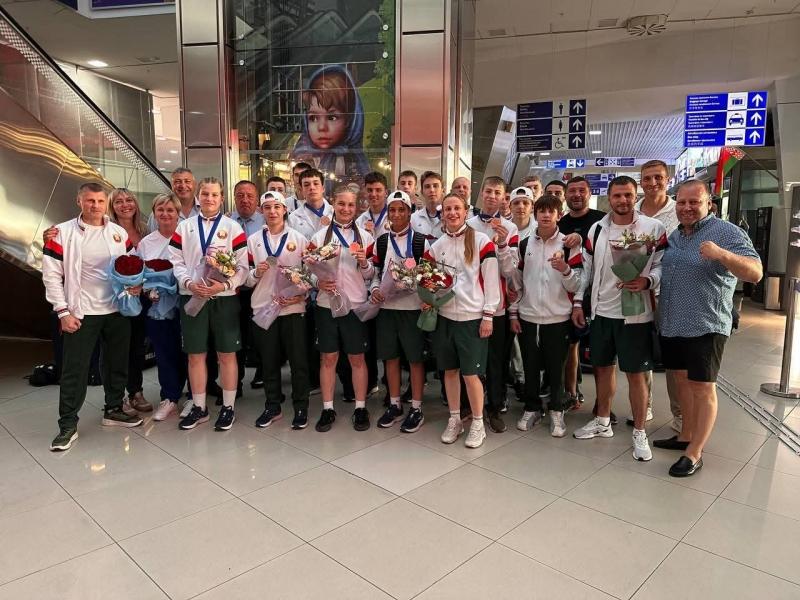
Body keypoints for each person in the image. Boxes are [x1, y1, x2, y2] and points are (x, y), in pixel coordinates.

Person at [655, 179, 762, 477]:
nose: (687, 207)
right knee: (681, 382)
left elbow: (755, 273)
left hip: (706, 324)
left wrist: (723, 255)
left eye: (694, 202)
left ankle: (694, 453)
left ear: (709, 204)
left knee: (703, 388)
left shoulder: (726, 232)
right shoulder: (675, 235)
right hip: (673, 322)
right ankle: (686, 435)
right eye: (682, 202)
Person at [572, 176, 666, 462]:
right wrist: (579, 302)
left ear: (635, 196)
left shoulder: (653, 228)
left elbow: (662, 266)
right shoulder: (597, 229)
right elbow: (587, 271)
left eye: (627, 195)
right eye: (617, 196)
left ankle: (639, 431)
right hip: (602, 312)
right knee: (602, 368)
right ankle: (602, 420)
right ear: (609, 198)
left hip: (635, 314)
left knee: (636, 374)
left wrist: (648, 280)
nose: (623, 200)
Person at [43, 183, 143, 451]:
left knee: (116, 363)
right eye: (89, 200)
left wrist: (136, 285)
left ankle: (113, 409)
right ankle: (67, 424)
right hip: (81, 312)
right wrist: (63, 312)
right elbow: (51, 276)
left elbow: (132, 266)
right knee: (74, 369)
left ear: (105, 202)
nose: (95, 205)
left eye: (99, 201)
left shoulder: (118, 233)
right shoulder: (61, 233)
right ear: (79, 201)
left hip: (116, 310)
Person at [169, 177, 248, 431]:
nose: (209, 199)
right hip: (192, 296)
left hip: (224, 299)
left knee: (227, 354)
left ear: (222, 198)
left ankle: (228, 407)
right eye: (205, 194)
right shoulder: (184, 227)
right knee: (195, 354)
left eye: (214, 195)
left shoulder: (233, 228)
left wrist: (224, 286)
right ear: (198, 197)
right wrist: (188, 283)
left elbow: (242, 266)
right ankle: (199, 407)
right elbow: (176, 261)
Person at [427, 193, 500, 448]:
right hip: (445, 317)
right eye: (447, 209)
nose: (452, 213)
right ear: (442, 214)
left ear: (466, 211)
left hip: (472, 318)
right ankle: (455, 418)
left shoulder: (481, 241)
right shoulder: (436, 246)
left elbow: (491, 281)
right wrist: (428, 296)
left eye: (456, 208)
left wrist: (488, 315)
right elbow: (429, 282)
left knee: (471, 374)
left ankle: (478, 423)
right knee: (449, 372)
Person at [510, 193, 581, 436]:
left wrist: (565, 269)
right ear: (536, 214)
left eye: (551, 211)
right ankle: (531, 408)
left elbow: (577, 284)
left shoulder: (569, 244)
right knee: (530, 366)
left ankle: (557, 410)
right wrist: (514, 314)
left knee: (556, 368)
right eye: (542, 211)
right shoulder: (524, 244)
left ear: (559, 215)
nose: (546, 215)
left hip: (558, 318)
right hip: (528, 316)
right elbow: (517, 284)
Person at [310, 186, 375, 432]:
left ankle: (360, 407)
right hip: (326, 305)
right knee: (328, 358)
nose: (346, 209)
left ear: (356, 207)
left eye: (350, 205)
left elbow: (371, 275)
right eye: (341, 204)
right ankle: (328, 408)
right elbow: (308, 271)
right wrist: (318, 283)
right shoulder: (319, 237)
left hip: (355, 305)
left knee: (357, 358)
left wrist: (365, 263)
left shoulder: (366, 238)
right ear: (333, 204)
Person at [246, 191, 311, 430]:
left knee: (298, 361)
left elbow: (310, 274)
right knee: (269, 361)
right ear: (261, 211)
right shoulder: (253, 240)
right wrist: (256, 273)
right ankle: (272, 405)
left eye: (276, 207)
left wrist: (301, 295)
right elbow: (245, 278)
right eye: (267, 207)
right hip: (264, 308)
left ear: (285, 209)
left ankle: (301, 406)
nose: (272, 211)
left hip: (292, 308)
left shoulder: (299, 239)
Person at [627, 159, 680, 429]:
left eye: (658, 177)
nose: (652, 183)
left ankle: (679, 414)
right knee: (641, 352)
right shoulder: (632, 211)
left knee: (672, 355)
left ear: (668, 179)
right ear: (641, 182)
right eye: (647, 178)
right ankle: (644, 406)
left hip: (671, 293)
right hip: (638, 292)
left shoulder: (679, 210)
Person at [370, 190, 429, 432]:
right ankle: (394, 404)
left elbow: (428, 277)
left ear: (409, 212)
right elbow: (375, 273)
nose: (396, 214)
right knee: (390, 358)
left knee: (415, 360)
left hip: (412, 309)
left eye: (401, 209)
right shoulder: (382, 241)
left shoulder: (420, 241)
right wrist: (375, 288)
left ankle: (416, 407)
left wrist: (424, 295)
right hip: (387, 309)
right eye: (392, 210)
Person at [466, 176, 519, 433]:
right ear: (482, 193)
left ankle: (495, 407)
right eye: (488, 191)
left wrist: (502, 244)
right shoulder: (468, 224)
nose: (491, 196)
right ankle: (469, 406)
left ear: (503, 197)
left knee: (496, 360)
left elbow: (509, 271)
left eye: (497, 192)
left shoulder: (511, 228)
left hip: (496, 304)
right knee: (470, 358)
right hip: (470, 303)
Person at [137, 193, 188, 421]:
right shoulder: (146, 243)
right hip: (157, 307)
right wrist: (148, 291)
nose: (165, 214)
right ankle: (169, 397)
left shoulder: (187, 236)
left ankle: (194, 395)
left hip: (187, 302)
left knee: (191, 351)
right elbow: (138, 275)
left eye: (170, 210)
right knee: (164, 352)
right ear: (154, 213)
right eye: (161, 210)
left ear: (178, 213)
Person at [558, 176, 605, 411]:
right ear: (566, 195)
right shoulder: (560, 223)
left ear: (589, 193)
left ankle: (602, 404)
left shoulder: (602, 221)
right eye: (572, 191)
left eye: (581, 190)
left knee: (601, 353)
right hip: (571, 292)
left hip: (601, 293)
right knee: (571, 346)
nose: (577, 195)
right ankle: (571, 394)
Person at [291, 64, 370, 192]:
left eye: (332, 117)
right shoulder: (302, 154)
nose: (322, 127)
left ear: (349, 120)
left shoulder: (353, 158)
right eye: (313, 118)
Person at [108, 188, 152, 415]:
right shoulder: (106, 230)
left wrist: (142, 285)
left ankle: (135, 391)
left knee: (136, 347)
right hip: (115, 300)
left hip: (140, 298)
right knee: (117, 349)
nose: (125, 205)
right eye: (118, 201)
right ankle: (116, 397)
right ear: (112, 206)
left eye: (129, 200)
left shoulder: (145, 230)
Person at [231, 180, 266, 392]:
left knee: (261, 333)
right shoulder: (226, 222)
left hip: (259, 288)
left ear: (257, 199)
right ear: (234, 198)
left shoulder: (265, 221)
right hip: (234, 291)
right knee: (237, 335)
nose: (245, 200)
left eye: (250, 196)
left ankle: (263, 372)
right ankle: (235, 381)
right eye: (240, 195)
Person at [147, 167, 200, 232]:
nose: (183, 186)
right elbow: (152, 236)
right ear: (172, 185)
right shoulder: (160, 213)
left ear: (195, 185)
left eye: (187, 181)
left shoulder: (205, 210)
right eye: (178, 182)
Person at [288, 168, 334, 240]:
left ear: (323, 188)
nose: (312, 188)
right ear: (302, 190)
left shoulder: (334, 213)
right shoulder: (293, 218)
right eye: (306, 185)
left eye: (316, 184)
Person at [411, 171, 445, 240]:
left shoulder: (451, 217)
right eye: (427, 187)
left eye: (435, 186)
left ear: (442, 190)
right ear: (422, 192)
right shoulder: (413, 219)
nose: (432, 190)